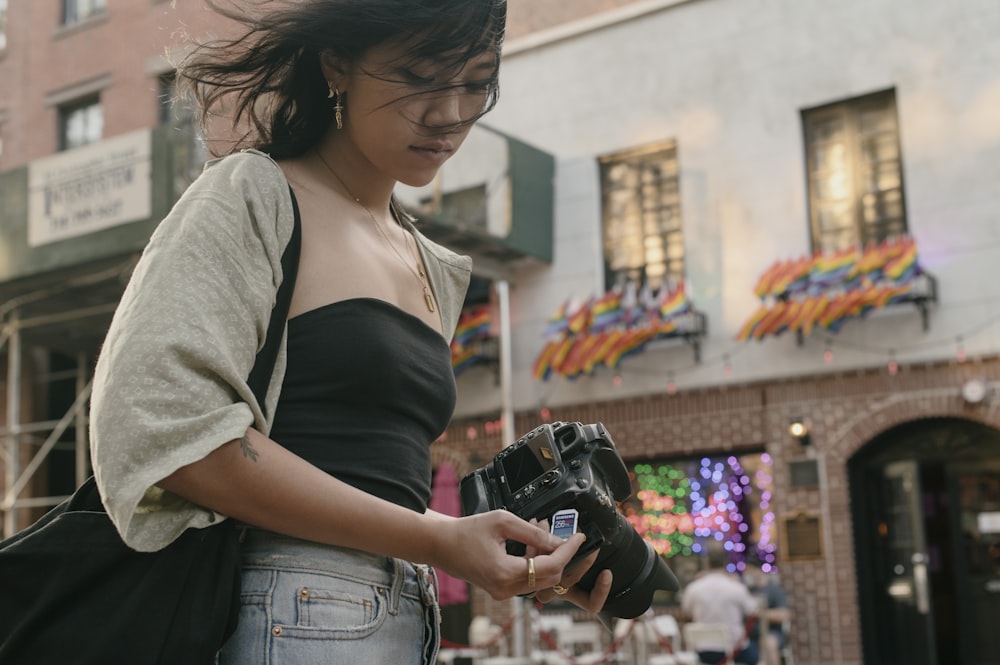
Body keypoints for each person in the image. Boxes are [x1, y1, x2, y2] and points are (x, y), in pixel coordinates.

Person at [88, 1, 612, 663]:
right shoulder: (255, 195)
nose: (450, 111)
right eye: (422, 75)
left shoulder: (429, 261)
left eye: (476, 81)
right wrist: (441, 541)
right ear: (337, 64)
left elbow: (374, 482)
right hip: (290, 607)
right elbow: (171, 432)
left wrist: (502, 551)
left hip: (399, 616)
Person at [680, 544, 759, 665]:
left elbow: (685, 612)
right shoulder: (736, 587)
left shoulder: (693, 588)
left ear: (707, 564)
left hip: (703, 651)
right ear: (726, 564)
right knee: (757, 654)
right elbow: (752, 611)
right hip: (735, 651)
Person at [743, 565, 790, 665]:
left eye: (750, 571)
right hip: (748, 634)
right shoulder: (744, 591)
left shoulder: (774, 590)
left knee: (768, 643)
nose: (747, 575)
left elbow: (783, 615)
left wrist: (759, 614)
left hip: (772, 632)